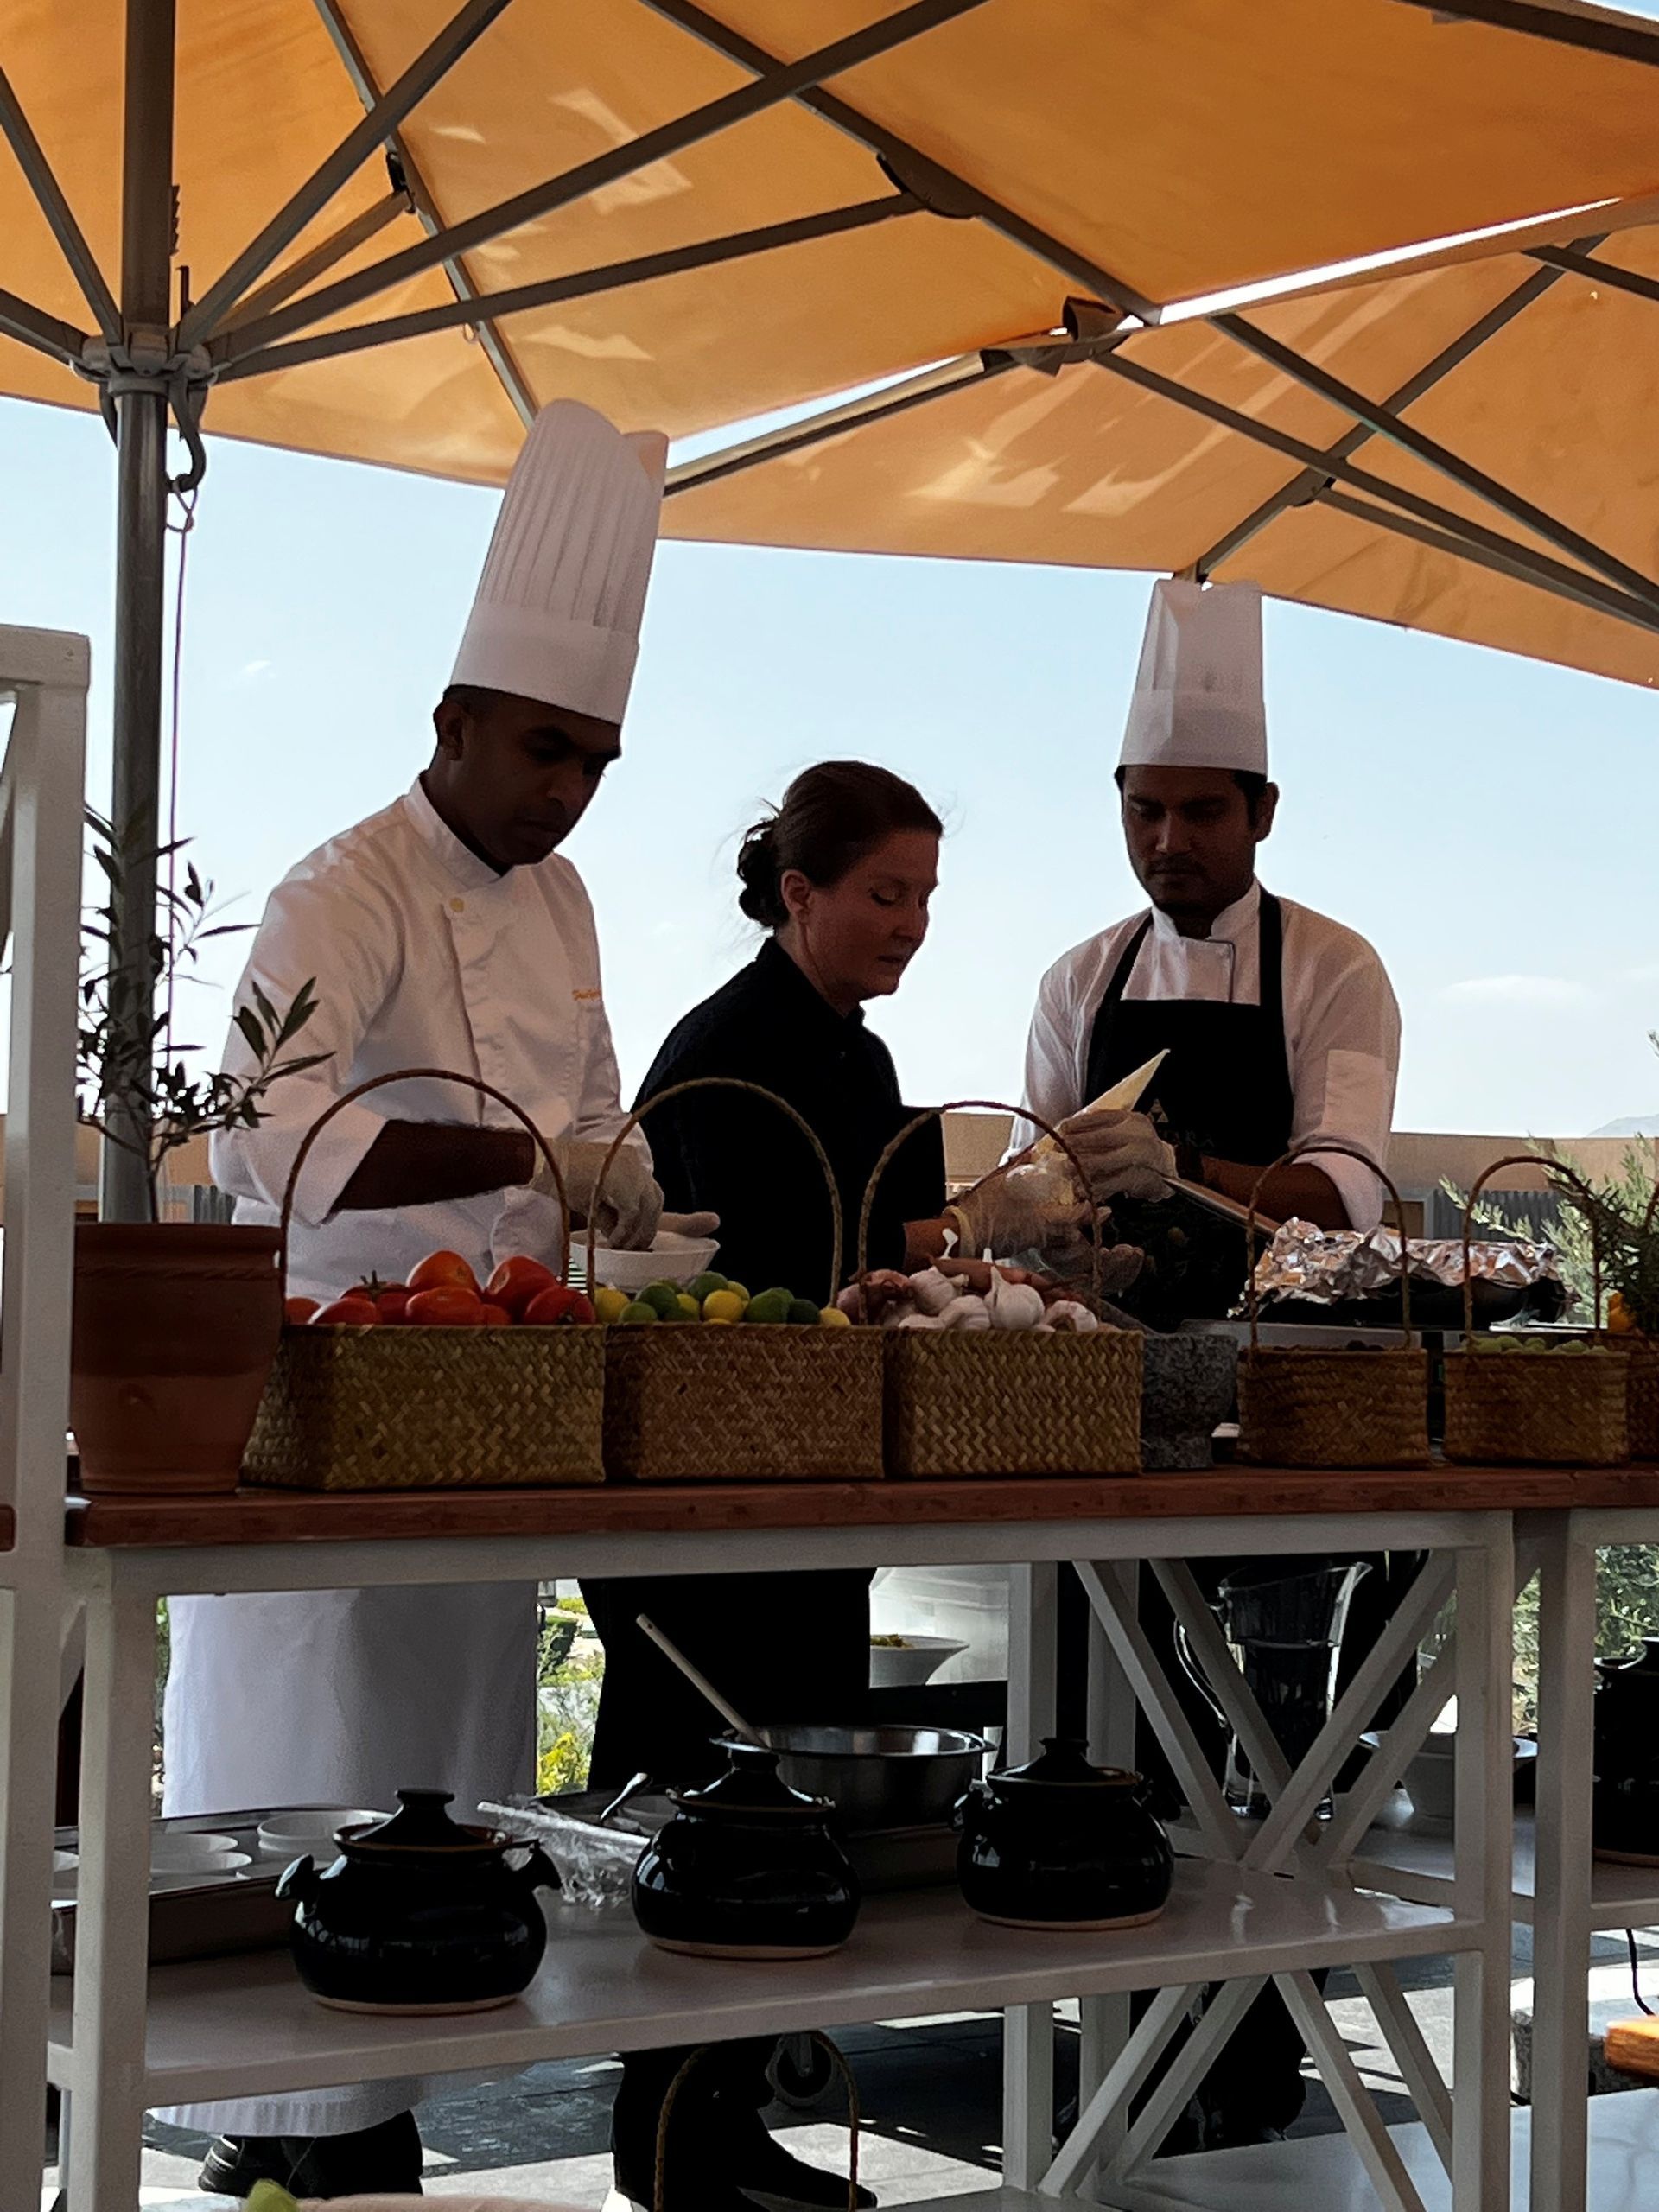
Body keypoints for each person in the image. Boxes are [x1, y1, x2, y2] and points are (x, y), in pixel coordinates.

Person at [162, 400, 689, 2202]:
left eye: (599, 759)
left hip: (492, 1406)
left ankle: (386, 2130)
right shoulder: (340, 888)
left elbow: (596, 1121)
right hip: (330, 1415)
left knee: (445, 1805)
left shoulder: (572, 904)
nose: (568, 791)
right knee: (307, 1794)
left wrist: (610, 1178)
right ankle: (278, 2145)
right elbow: (256, 1142)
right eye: (548, 748)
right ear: (456, 720)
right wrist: (497, 1156)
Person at [1017, 576, 1404, 2149]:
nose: (1168, 841)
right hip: (1102, 1396)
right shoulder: (1076, 979)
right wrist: (1052, 1206)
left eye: (1196, 812)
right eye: (1143, 812)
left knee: (1266, 1741)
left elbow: (1346, 1193)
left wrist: (1172, 1171)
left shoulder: (1334, 970)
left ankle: (1249, 2035)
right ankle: (1114, 2041)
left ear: (1260, 812)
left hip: (1276, 1394)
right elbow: (1031, 1203)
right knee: (1094, 1723)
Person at [582, 762, 950, 2212]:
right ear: (797, 893)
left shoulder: (859, 1059)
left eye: (923, 898)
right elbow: (720, 1283)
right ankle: (668, 2137)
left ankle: (722, 2124)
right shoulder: (722, 1050)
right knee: (699, 1804)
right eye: (884, 894)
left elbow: (905, 1243)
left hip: (818, 1476)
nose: (909, 925)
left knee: (779, 1804)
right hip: (709, 1483)